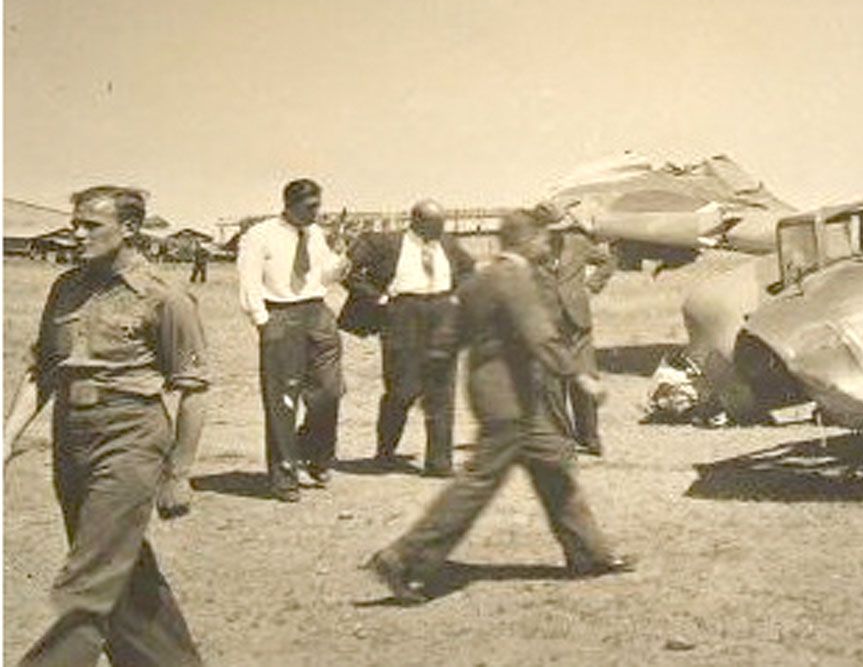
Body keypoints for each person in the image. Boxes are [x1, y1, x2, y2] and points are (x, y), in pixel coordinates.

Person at [364, 210, 632, 604]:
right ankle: (402, 558)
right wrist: (580, 377)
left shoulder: (479, 278)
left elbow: (446, 338)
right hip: (510, 401)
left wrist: (431, 380)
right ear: (527, 240)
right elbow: (539, 334)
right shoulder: (514, 277)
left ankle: (589, 553)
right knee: (476, 485)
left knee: (554, 466)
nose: (547, 243)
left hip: (506, 397)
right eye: (543, 237)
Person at [3, 186, 208, 666]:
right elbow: (42, 369)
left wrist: (179, 473)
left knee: (90, 578)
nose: (76, 234)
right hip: (70, 435)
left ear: (130, 229)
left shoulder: (165, 297)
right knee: (119, 564)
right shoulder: (66, 287)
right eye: (75, 223)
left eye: (90, 225)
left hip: (130, 437)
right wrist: (7, 436)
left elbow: (193, 387)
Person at [340, 199, 475, 475]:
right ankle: (385, 452)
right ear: (416, 220)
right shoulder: (385, 243)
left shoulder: (448, 244)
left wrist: (458, 298)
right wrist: (377, 298)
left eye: (442, 225)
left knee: (442, 390)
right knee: (402, 389)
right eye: (435, 225)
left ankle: (439, 463)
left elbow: (469, 271)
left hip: (441, 313)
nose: (440, 231)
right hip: (402, 315)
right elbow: (347, 271)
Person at [237, 178, 348, 502]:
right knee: (282, 401)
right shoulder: (259, 236)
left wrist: (340, 262)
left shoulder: (315, 234)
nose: (318, 212)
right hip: (281, 315)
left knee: (330, 391)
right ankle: (284, 477)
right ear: (291, 204)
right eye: (311, 206)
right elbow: (248, 282)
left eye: (319, 205)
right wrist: (263, 322)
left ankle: (315, 454)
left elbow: (323, 275)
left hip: (318, 313)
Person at [532, 201, 616, 455]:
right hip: (546, 324)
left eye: (562, 227)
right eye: (552, 229)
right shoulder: (529, 250)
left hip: (578, 322)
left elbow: (609, 260)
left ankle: (589, 436)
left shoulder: (577, 241)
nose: (558, 233)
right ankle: (563, 440)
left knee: (586, 378)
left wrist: (591, 287)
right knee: (553, 385)